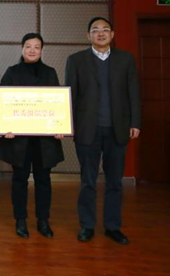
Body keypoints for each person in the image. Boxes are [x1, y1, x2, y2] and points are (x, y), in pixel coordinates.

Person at [64, 17, 141, 245]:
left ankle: (112, 226)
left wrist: (135, 122)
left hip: (118, 129)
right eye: (95, 30)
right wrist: (67, 124)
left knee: (115, 181)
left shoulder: (126, 59)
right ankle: (87, 226)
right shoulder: (76, 60)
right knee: (88, 181)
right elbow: (70, 95)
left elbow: (133, 93)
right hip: (87, 130)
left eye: (105, 29)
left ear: (112, 34)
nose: (100, 33)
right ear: (88, 35)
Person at [0, 33, 64, 239]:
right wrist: (5, 126)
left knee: (44, 180)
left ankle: (43, 220)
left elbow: (57, 104)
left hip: (45, 139)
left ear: (41, 50)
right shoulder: (12, 72)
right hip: (19, 139)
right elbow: (3, 103)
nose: (32, 50)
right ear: (22, 48)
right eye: (28, 46)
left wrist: (60, 126)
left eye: (37, 47)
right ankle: (21, 219)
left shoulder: (50, 73)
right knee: (19, 180)